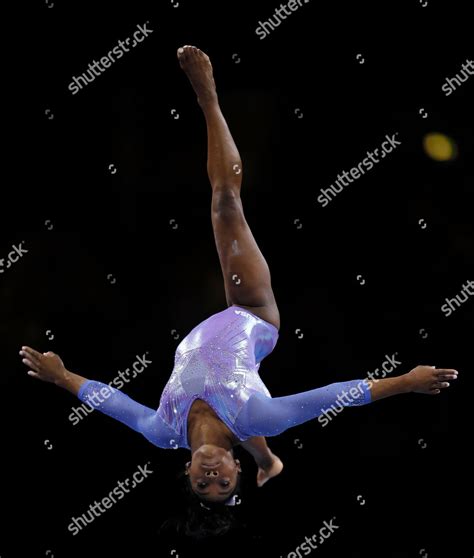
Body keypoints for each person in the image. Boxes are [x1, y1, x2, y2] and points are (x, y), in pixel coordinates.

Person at [19, 46, 459, 513]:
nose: (212, 479)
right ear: (234, 471)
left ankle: (269, 461)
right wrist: (406, 381)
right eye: (224, 485)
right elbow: (339, 395)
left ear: (186, 473)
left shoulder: (161, 431)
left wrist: (62, 376)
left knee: (248, 429)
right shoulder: (257, 415)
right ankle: (208, 97)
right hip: (251, 314)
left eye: (202, 486)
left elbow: (109, 401)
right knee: (226, 203)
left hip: (220, 370)